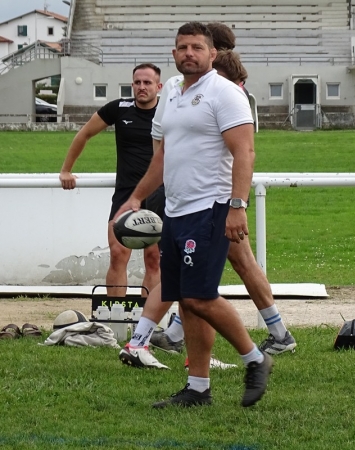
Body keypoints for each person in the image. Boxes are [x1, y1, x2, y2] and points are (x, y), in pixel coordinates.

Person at [116, 22, 273, 408]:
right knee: (183, 299)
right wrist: (136, 198)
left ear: (212, 54)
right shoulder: (171, 91)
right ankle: (198, 387)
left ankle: (255, 358)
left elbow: (245, 154)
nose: (189, 53)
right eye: (182, 47)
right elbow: (163, 156)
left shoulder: (225, 93)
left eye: (197, 47)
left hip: (212, 207)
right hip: (176, 209)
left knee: (199, 296)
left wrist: (237, 207)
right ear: (174, 54)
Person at [59, 63, 163, 298]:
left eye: (147, 83)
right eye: (137, 82)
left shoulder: (169, 111)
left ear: (159, 86)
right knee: (118, 254)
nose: (141, 87)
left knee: (154, 259)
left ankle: (148, 324)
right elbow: (84, 134)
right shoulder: (119, 108)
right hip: (126, 194)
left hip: (159, 194)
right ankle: (116, 320)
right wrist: (66, 170)